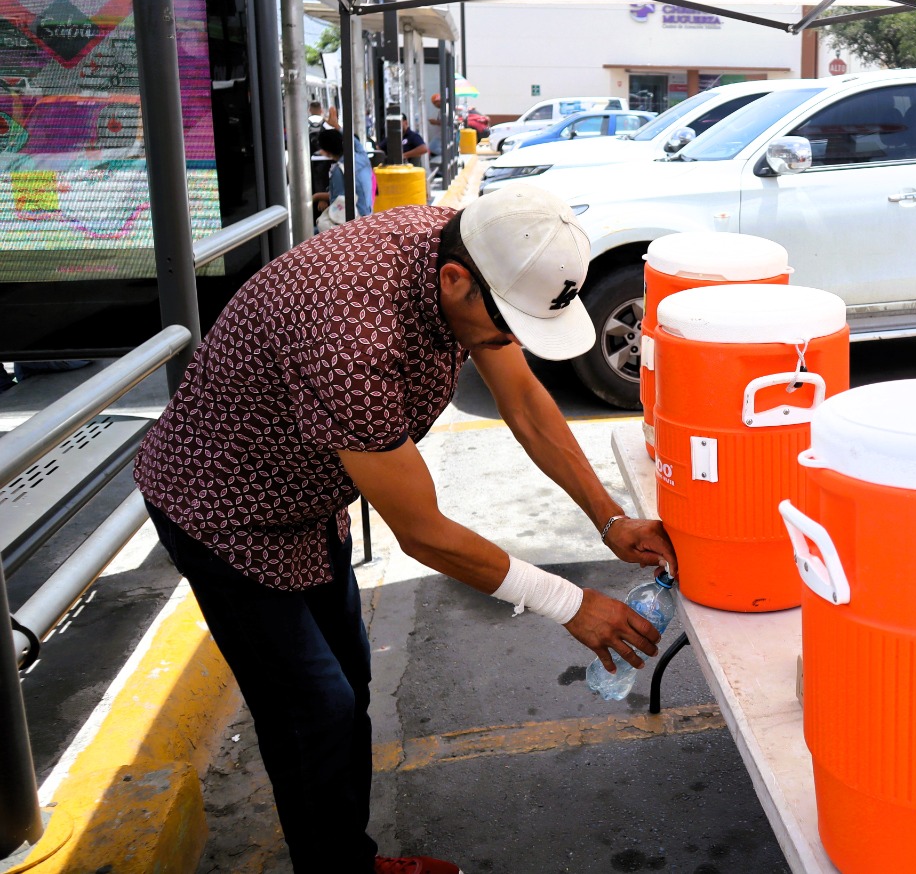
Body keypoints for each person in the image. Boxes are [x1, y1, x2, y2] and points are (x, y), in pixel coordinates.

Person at [133, 187, 676, 874]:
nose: (508, 344)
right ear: (456, 282)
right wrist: (571, 604)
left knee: (349, 684)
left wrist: (610, 518)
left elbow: (526, 403)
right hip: (223, 511)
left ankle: (345, 858)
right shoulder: (354, 331)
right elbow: (421, 533)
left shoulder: (466, 248)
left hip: (302, 496)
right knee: (313, 711)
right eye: (506, 325)